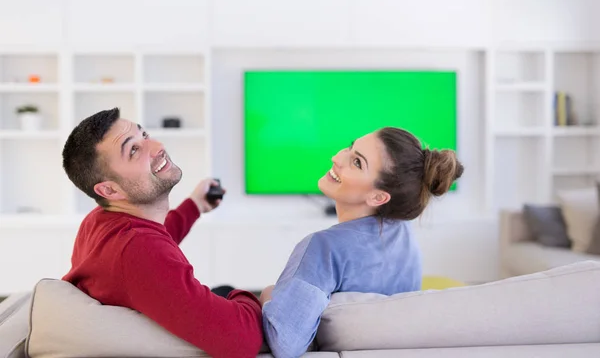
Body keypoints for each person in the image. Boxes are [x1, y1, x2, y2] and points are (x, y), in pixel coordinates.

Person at [61, 108, 263, 358]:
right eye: (133, 150)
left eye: (144, 135)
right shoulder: (137, 251)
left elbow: (157, 234)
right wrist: (257, 298)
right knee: (240, 296)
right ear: (110, 190)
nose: (157, 146)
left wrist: (196, 205)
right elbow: (242, 340)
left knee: (221, 290)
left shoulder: (102, 220)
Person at [259, 127, 464, 358]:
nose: (336, 157)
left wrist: (268, 294)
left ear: (378, 197)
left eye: (357, 162)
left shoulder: (323, 248)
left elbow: (285, 344)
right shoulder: (404, 234)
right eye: (350, 147)